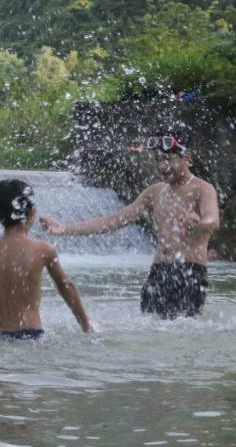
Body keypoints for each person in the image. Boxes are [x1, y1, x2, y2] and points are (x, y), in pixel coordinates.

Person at [42, 134, 220, 319]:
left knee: (181, 334)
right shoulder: (155, 192)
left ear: (187, 157)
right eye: (158, 159)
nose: (162, 166)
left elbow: (212, 221)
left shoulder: (202, 189)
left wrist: (197, 226)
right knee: (149, 330)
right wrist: (64, 229)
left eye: (169, 159)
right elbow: (113, 221)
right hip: (158, 272)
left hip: (189, 272)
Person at [0, 179, 92, 339]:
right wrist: (86, 325)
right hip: (30, 333)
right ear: (32, 212)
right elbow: (66, 286)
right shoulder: (44, 249)